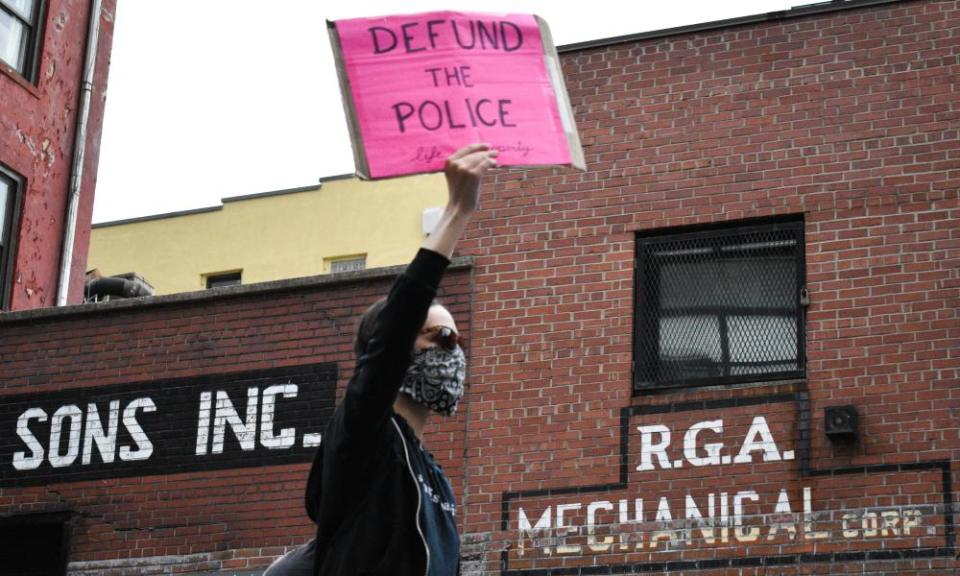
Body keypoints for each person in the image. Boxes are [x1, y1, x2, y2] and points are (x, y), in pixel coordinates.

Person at [264, 143, 498, 576]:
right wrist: (457, 211)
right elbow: (396, 326)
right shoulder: (365, 434)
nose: (455, 351)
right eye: (441, 336)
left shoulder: (432, 474)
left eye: (459, 340)